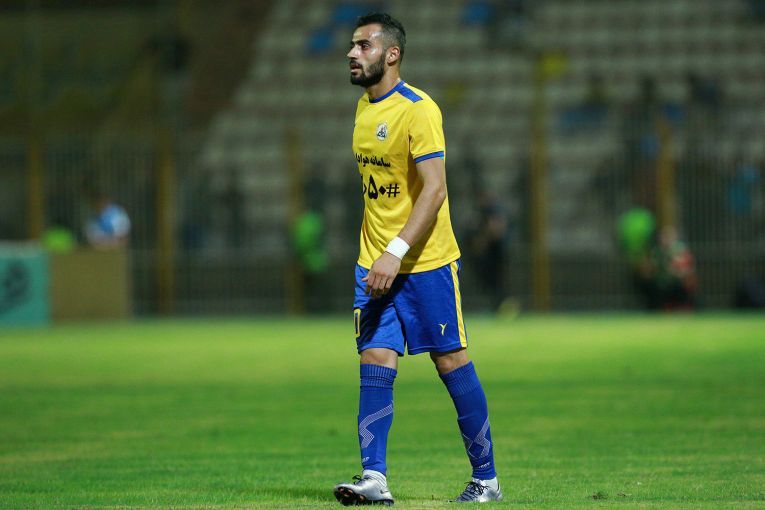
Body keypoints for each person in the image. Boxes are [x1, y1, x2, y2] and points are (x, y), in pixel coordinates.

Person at [333, 13, 502, 506]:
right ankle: (374, 478)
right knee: (374, 358)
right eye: (352, 45)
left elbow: (435, 190)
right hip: (374, 262)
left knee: (450, 361)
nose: (352, 53)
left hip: (425, 263)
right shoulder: (364, 109)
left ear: (392, 54)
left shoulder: (419, 110)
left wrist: (396, 251)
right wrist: (377, 254)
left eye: (363, 45)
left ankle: (487, 479)